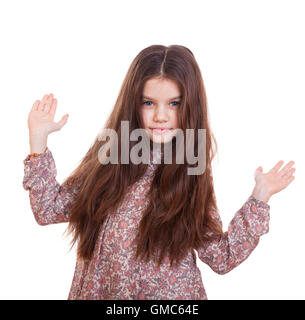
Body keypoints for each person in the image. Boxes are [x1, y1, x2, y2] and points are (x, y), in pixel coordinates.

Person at [22, 45, 296, 300]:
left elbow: (221, 258)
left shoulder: (192, 171)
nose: (160, 116)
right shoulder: (109, 156)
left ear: (190, 106)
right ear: (133, 103)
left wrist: (260, 197)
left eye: (174, 104)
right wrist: (38, 140)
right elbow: (48, 210)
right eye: (149, 103)